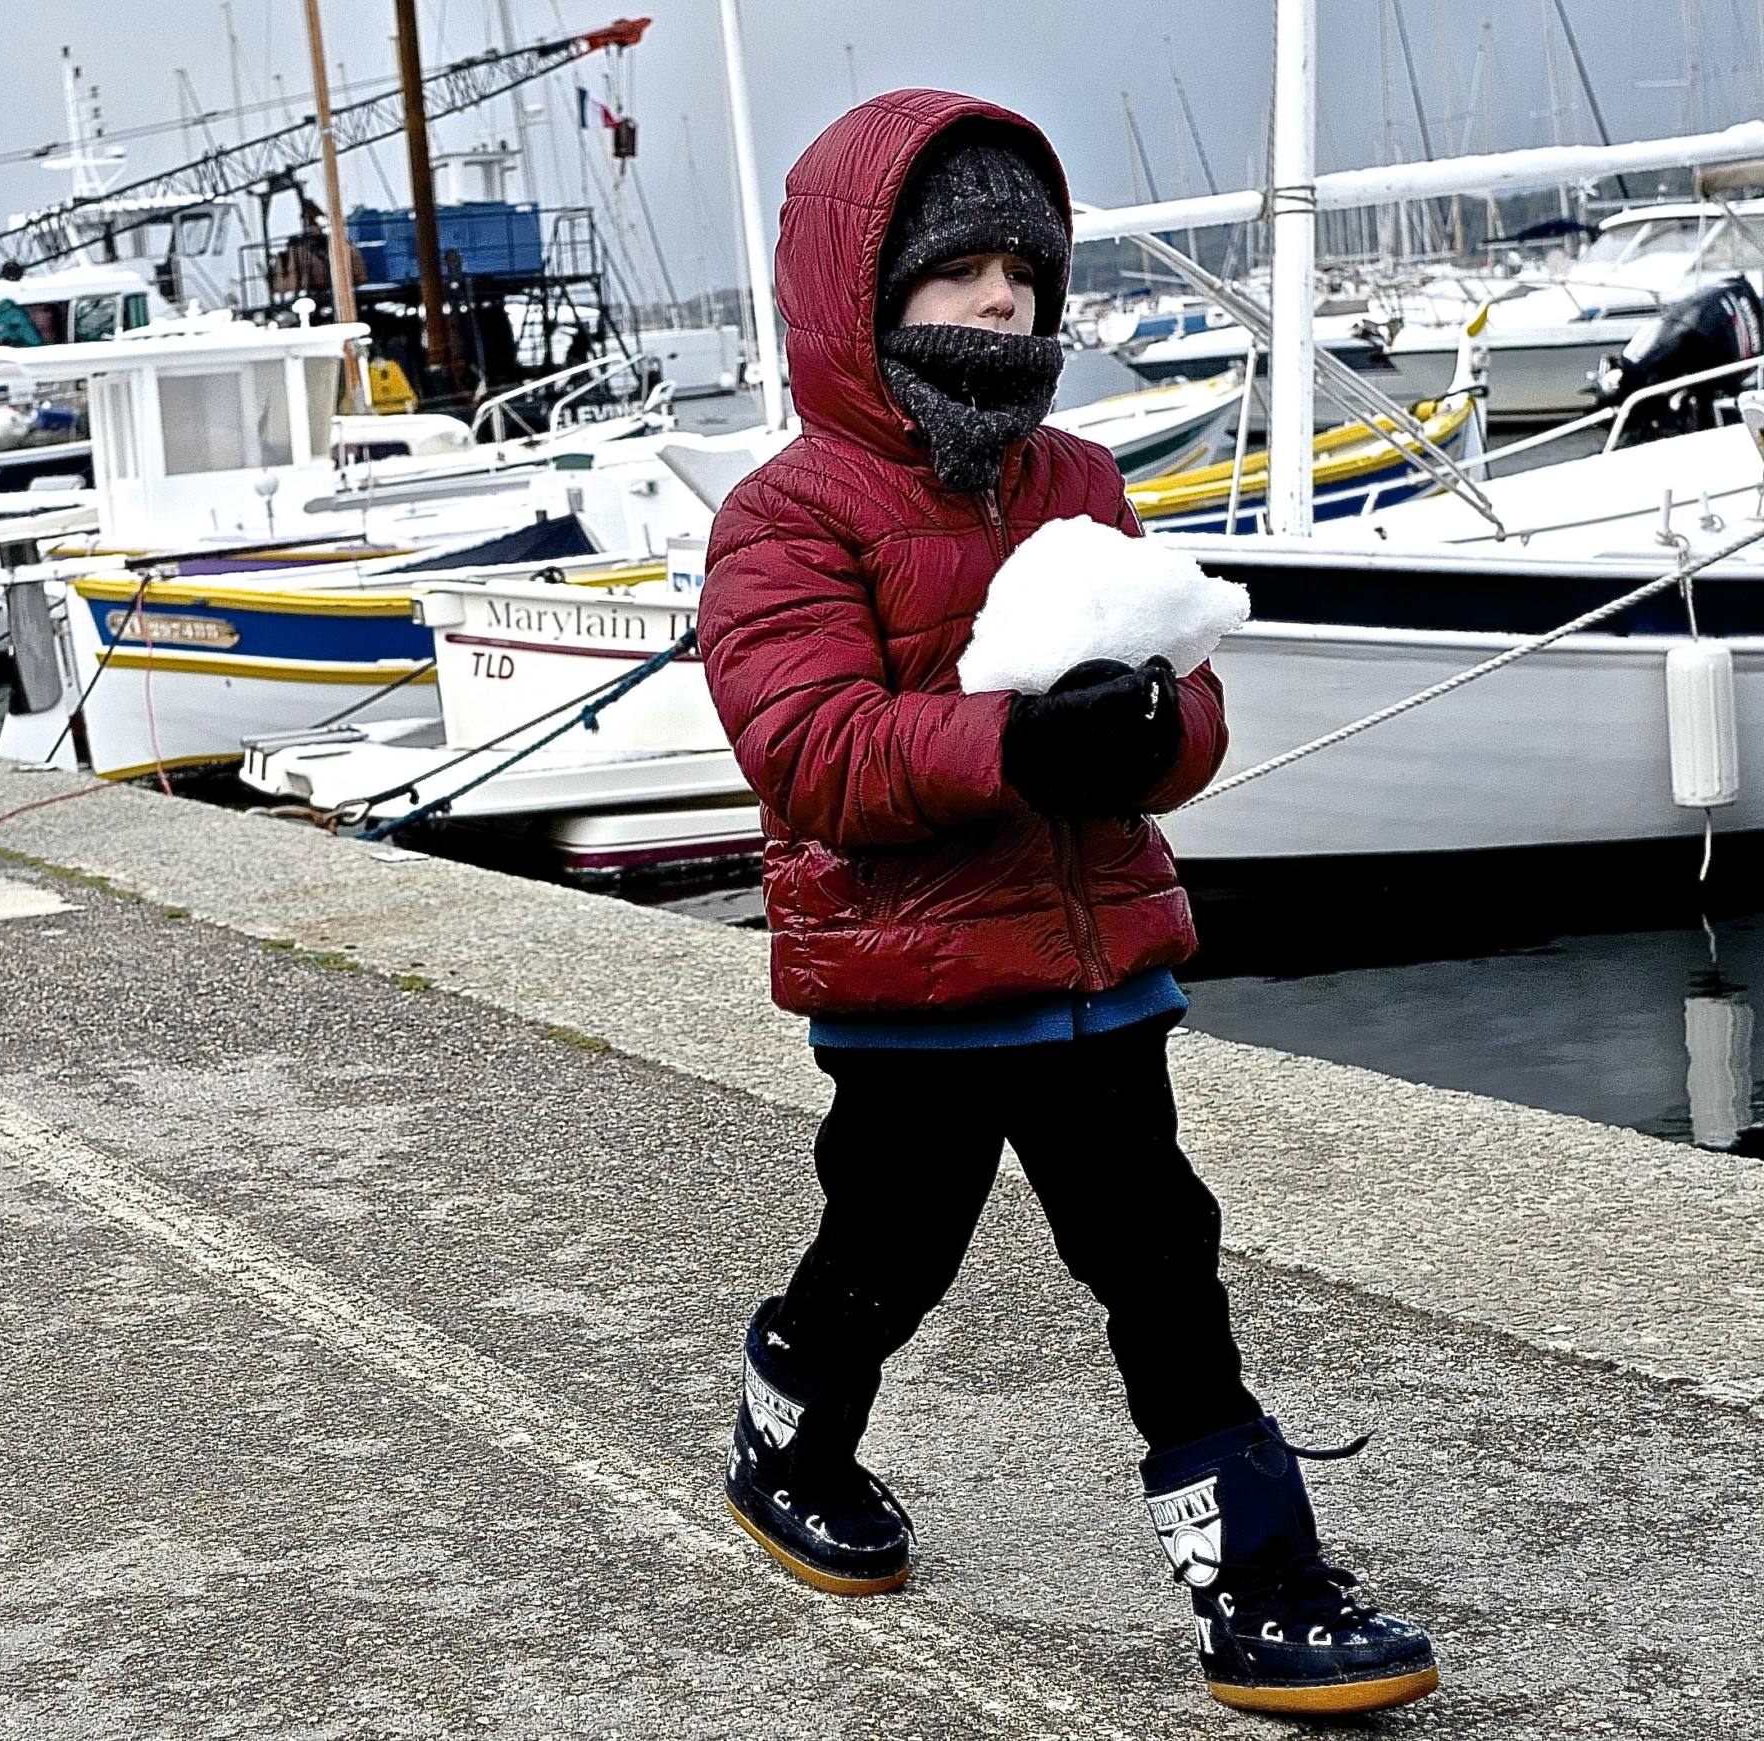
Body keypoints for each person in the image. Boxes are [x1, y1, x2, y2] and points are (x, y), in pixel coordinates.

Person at [694, 91, 1439, 1719]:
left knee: (1161, 1259)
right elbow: (811, 751)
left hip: (1103, 967)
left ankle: (1262, 1581)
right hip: (912, 985)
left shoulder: (1083, 476)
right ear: (865, 288)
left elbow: (1186, 705)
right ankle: (789, 1418)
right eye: (960, 271)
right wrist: (1022, 740)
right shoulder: (786, 515)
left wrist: (1162, 732)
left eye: (1024, 272)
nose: (1004, 302)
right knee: (894, 1250)